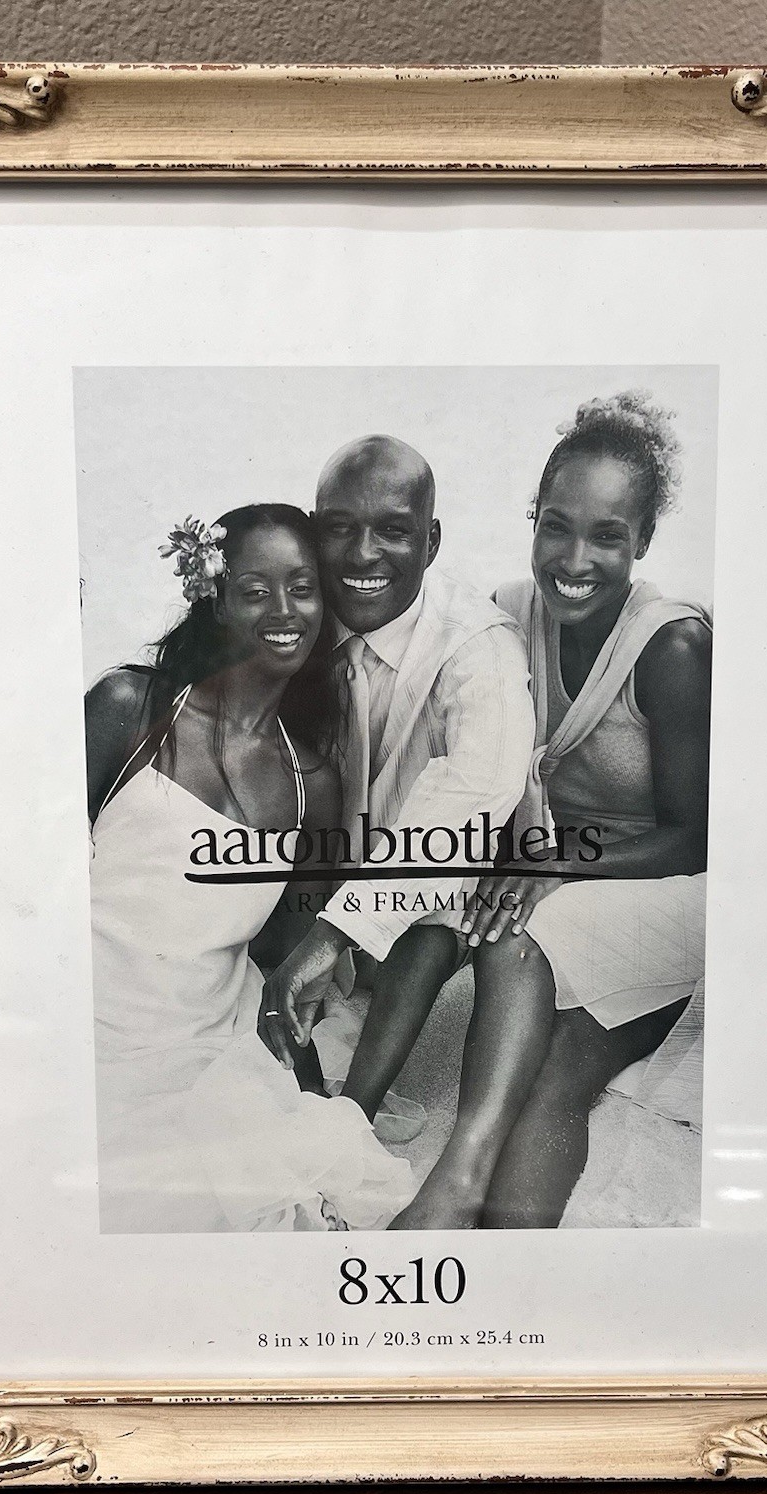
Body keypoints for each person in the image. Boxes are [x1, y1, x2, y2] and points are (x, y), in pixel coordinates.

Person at [390, 393, 712, 1230]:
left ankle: (455, 1180)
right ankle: (505, 1257)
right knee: (559, 1062)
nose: (575, 559)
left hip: (661, 888)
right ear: (532, 519)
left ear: (644, 540)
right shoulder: (506, 615)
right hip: (557, 878)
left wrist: (555, 864)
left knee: (515, 935)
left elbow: (697, 839)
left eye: (607, 536)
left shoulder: (673, 647)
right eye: (556, 527)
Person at [85, 503, 414, 1232]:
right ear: (214, 598)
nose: (284, 611)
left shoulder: (311, 779)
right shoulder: (129, 708)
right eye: (256, 591)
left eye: (303, 588)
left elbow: (286, 954)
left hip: (208, 1048)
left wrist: (299, 1085)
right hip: (89, 1034)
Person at [257, 438, 536, 1122]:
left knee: (437, 910)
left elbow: (472, 796)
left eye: (393, 531)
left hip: (428, 896)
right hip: (320, 869)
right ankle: (297, 1075)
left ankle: (353, 1118)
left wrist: (333, 934)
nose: (362, 555)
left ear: (431, 541)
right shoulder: (295, 615)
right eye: (340, 528)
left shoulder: (478, 644)